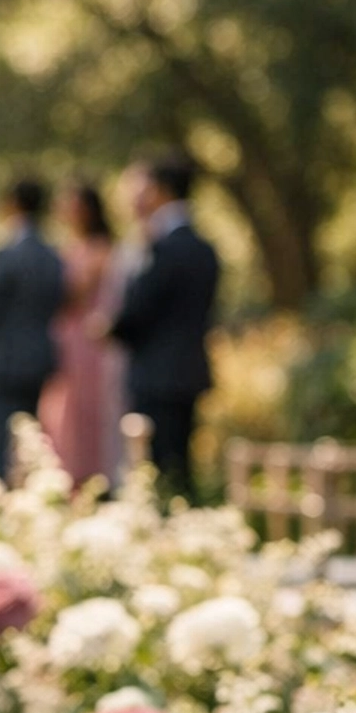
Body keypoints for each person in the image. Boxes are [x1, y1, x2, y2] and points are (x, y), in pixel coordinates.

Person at [108, 153, 221, 496]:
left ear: (162, 190)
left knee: (161, 468)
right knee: (181, 463)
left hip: (157, 374)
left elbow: (141, 308)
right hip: (189, 370)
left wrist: (111, 330)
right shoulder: (205, 249)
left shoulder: (161, 248)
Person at [0, 176, 66, 480]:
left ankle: (8, 500)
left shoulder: (3, 253)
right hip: (38, 357)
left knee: (2, 438)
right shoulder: (53, 255)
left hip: (2, 359)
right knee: (29, 432)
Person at [39, 181, 126, 486]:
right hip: (65, 337)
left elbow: (75, 293)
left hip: (88, 343)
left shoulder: (101, 249)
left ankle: (92, 476)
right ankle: (66, 475)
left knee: (88, 409)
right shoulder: (67, 247)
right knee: (63, 409)